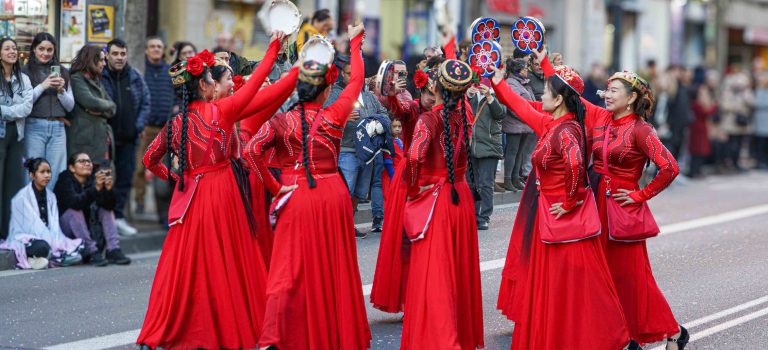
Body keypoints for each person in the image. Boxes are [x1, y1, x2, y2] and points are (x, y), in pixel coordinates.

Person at [137, 31, 295, 350]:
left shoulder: (176, 124)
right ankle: (230, 327)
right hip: (224, 192)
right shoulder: (222, 112)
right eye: (212, 77)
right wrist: (277, 48)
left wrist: (176, 179)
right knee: (231, 261)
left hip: (193, 195)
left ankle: (164, 331)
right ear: (206, 86)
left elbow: (149, 159)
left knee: (185, 266)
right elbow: (258, 82)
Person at [490, 60, 641, 350]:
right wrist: (497, 82)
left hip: (562, 213)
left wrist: (571, 201)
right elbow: (518, 105)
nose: (539, 96)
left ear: (560, 98)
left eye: (545, 91)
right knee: (560, 284)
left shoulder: (568, 128)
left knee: (579, 284)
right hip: (551, 209)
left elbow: (575, 166)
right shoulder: (551, 122)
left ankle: (614, 339)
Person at [244, 24, 371, 350]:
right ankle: (333, 333)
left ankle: (277, 334)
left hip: (294, 195)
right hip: (332, 195)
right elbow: (356, 81)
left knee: (287, 268)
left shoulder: (281, 121)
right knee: (333, 270)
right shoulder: (336, 114)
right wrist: (355, 42)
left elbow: (250, 152)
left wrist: (274, 188)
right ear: (326, 90)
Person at [398, 59, 483, 349]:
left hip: (436, 200)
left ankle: (439, 338)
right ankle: (457, 334)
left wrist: (413, 189)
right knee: (457, 272)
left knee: (434, 273)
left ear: (434, 87)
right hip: (460, 198)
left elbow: (413, 157)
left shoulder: (428, 120)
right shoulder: (465, 115)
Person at [326, 55, 389, 236]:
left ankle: (349, 224)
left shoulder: (368, 95)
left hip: (368, 152)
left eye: (356, 75)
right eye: (348, 74)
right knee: (346, 190)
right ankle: (338, 226)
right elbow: (324, 117)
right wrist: (342, 119)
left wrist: (375, 122)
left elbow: (384, 113)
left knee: (359, 193)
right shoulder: (334, 94)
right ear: (341, 75)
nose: (352, 78)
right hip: (346, 150)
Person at [101, 38, 150, 236]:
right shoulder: (101, 76)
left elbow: (146, 102)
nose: (119, 58)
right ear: (107, 55)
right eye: (115, 54)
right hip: (107, 139)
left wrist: (137, 126)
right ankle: (104, 220)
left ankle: (119, 217)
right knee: (104, 179)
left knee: (124, 180)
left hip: (129, 139)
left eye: (122, 54)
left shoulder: (135, 76)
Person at [0, 158, 83, 269]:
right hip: (28, 239)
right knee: (43, 247)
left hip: (49, 238)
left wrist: (55, 240)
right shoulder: (21, 198)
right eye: (42, 172)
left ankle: (44, 259)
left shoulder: (51, 196)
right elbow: (27, 228)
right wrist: (49, 241)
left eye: (48, 172)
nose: (47, 175)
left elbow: (54, 226)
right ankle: (51, 257)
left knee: (81, 247)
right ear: (32, 175)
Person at [54, 152, 130, 267]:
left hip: (90, 232)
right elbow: (75, 203)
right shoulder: (64, 179)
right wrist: (96, 189)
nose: (87, 164)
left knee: (105, 209)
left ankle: (113, 249)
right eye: (82, 161)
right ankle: (91, 251)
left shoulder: (93, 179)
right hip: (67, 233)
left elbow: (109, 206)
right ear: (72, 167)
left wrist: (108, 190)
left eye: (89, 161)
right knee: (74, 212)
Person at [22, 33, 74, 190]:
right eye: (41, 49)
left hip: (58, 128)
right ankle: (32, 211)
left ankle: (51, 210)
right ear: (34, 49)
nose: (45, 53)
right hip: (34, 126)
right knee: (33, 171)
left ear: (54, 50)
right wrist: (43, 86)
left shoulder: (63, 71)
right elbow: (24, 103)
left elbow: (70, 106)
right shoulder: (25, 71)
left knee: (57, 173)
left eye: (49, 50)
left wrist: (61, 91)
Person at [133, 36, 174, 222]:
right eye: (152, 46)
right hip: (146, 127)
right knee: (140, 165)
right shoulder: (141, 70)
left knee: (163, 169)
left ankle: (162, 211)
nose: (156, 49)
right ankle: (139, 201)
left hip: (165, 127)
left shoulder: (169, 71)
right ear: (146, 50)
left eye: (159, 46)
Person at [0, 37, 33, 240]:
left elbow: (27, 108)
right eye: (7, 48)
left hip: (17, 135)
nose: (12, 51)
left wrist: (5, 111)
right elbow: (19, 109)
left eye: (14, 48)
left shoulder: (24, 79)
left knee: (13, 184)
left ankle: (8, 231)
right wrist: (14, 111)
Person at [67, 45, 116, 176]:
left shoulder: (96, 81)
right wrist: (101, 107)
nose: (104, 64)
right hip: (85, 142)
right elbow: (90, 102)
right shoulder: (77, 78)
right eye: (101, 60)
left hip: (100, 141)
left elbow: (113, 107)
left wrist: (101, 109)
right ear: (90, 60)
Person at [467, 81, 505, 230]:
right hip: (470, 146)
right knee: (472, 184)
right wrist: (468, 95)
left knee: (485, 184)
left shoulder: (498, 95)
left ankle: (484, 216)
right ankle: (472, 214)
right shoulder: (470, 96)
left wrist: (489, 97)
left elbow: (501, 113)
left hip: (489, 146)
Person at [502, 57, 536, 192]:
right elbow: (513, 105)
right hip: (515, 124)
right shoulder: (511, 83)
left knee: (519, 153)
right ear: (519, 71)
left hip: (524, 124)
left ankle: (515, 177)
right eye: (525, 69)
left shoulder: (522, 83)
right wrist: (526, 115)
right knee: (512, 152)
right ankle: (508, 179)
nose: (527, 71)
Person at [720, 66, 754, 171]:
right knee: (731, 144)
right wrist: (734, 108)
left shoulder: (746, 92)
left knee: (740, 144)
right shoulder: (727, 92)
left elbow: (752, 102)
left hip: (741, 123)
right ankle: (728, 162)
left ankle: (736, 163)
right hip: (730, 123)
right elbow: (723, 105)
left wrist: (745, 94)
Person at [689, 85, 717, 178]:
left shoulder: (698, 104)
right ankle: (694, 171)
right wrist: (714, 106)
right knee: (697, 151)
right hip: (697, 129)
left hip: (701, 128)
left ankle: (697, 170)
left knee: (700, 151)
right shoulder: (696, 104)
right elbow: (706, 113)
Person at [754, 73, 768, 169]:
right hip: (760, 121)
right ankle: (760, 161)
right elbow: (757, 103)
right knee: (760, 143)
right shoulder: (758, 91)